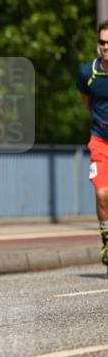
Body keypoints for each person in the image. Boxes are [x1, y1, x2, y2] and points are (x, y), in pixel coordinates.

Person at [76, 20, 108, 270]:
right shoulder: (88, 72)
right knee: (101, 193)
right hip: (99, 141)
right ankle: (106, 240)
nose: (106, 47)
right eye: (102, 42)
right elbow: (87, 101)